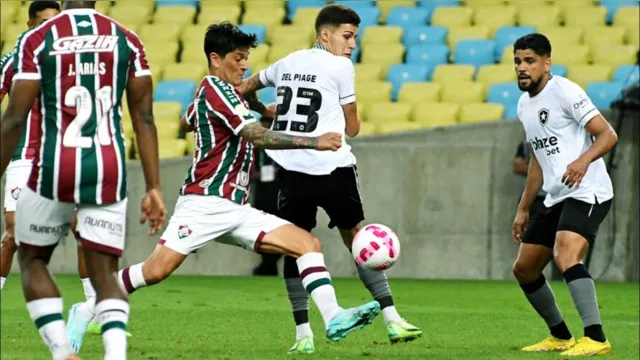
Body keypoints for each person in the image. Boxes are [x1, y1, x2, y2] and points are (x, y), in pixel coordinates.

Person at [66, 22, 380, 354]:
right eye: (238, 58)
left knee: (307, 243)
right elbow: (256, 136)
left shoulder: (216, 92)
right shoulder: (215, 90)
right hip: (204, 204)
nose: (245, 66)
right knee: (155, 271)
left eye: (246, 58)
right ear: (216, 59)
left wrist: (256, 107)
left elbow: (187, 121)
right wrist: (314, 141)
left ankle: (333, 318)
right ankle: (85, 310)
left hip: (235, 208)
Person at [238, 4, 421, 354]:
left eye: (355, 38)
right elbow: (352, 127)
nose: (352, 44)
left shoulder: (287, 61)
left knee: (296, 246)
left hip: (291, 173)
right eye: (347, 36)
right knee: (359, 241)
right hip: (333, 170)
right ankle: (393, 319)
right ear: (326, 34)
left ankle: (303, 334)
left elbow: (246, 87)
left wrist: (265, 111)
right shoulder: (340, 65)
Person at [0, 1, 167, 359]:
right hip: (108, 169)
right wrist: (153, 186)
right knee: (105, 271)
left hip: (53, 165)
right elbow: (145, 117)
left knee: (31, 258)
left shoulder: (39, 39)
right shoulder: (127, 39)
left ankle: (62, 351)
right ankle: (115, 355)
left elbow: (14, 119)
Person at [0, 0, 110, 337]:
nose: (50, 25)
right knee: (14, 234)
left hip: (62, 156)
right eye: (44, 20)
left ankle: (94, 312)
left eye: (55, 20)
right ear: (31, 22)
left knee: (86, 231)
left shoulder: (68, 57)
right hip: (24, 157)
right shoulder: (15, 59)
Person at [510, 33, 617, 357]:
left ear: (547, 63)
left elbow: (608, 134)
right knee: (525, 269)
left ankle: (596, 338)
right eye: (517, 61)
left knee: (566, 254)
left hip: (589, 190)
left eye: (529, 61)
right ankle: (560, 335)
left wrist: (583, 161)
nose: (522, 68)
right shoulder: (523, 105)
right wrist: (524, 208)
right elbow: (537, 162)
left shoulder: (565, 91)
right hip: (555, 194)